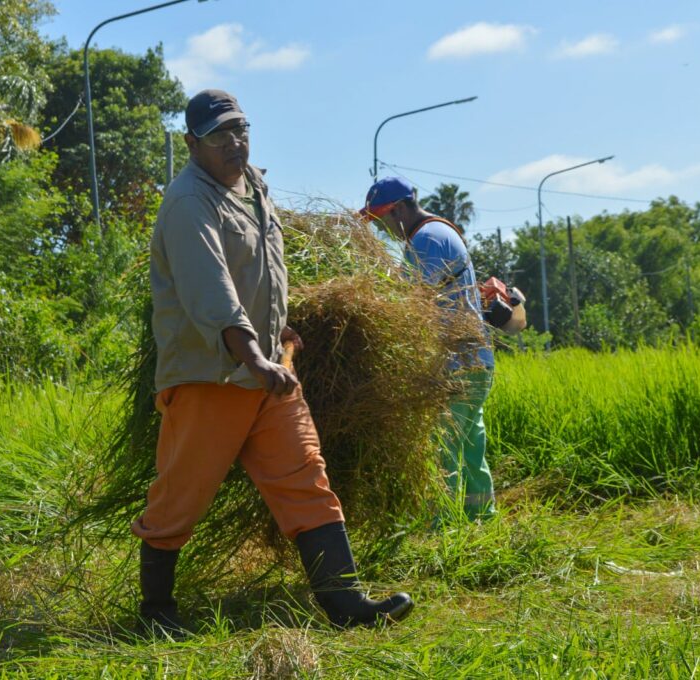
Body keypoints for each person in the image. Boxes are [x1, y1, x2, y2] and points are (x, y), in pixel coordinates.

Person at [133, 90, 413, 636]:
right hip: (210, 377)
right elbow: (210, 292)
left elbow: (261, 268)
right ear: (191, 143)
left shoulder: (254, 186)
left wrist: (274, 329)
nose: (233, 142)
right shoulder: (190, 202)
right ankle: (156, 613)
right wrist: (255, 356)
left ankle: (345, 601)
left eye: (240, 129)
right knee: (181, 496)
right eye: (218, 135)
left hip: (266, 371)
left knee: (305, 478)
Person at [361, 177, 499, 521]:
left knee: (443, 447)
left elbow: (407, 302)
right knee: (469, 444)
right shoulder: (440, 232)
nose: (383, 231)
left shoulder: (427, 240)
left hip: (455, 361)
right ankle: (481, 518)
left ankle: (443, 527)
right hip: (474, 359)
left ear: (400, 209)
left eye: (382, 221)